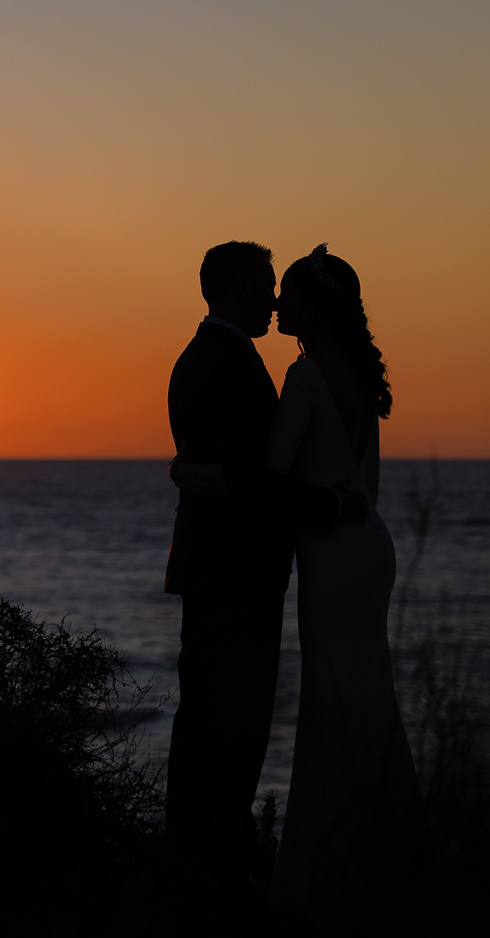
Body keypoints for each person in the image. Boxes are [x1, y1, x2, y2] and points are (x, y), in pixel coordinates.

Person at [162, 241, 360, 884]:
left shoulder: (199, 357)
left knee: (207, 723)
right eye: (270, 285)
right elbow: (253, 481)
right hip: (237, 577)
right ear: (242, 284)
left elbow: (226, 471)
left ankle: (198, 858)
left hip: (216, 571)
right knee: (233, 727)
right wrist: (331, 505)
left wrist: (190, 473)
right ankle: (217, 868)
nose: (276, 301)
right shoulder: (227, 363)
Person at [263, 244, 425, 918]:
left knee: (330, 700)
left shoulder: (304, 377)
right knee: (367, 693)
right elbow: (370, 488)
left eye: (289, 294)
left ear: (315, 307)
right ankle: (389, 847)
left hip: (332, 555)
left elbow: (271, 476)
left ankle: (323, 873)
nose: (278, 303)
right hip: (371, 547)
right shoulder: (359, 375)